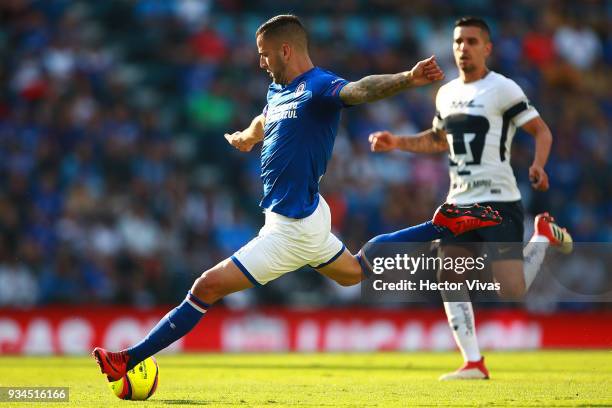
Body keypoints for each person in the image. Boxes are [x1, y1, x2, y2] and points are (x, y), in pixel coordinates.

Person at [92, 14, 501, 381]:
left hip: (291, 229)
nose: (260, 62)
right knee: (356, 272)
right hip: (305, 215)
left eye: (264, 54)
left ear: (286, 50)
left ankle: (126, 360)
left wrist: (406, 79)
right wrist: (248, 136)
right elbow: (265, 118)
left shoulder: (319, 86)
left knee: (205, 287)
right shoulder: (278, 92)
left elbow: (359, 91)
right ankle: (441, 225)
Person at [368, 17, 572, 380]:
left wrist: (539, 165)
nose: (464, 48)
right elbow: (437, 139)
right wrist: (397, 142)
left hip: (498, 200)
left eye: (472, 41)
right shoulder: (445, 93)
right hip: (459, 202)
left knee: (513, 289)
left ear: (487, 48)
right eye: (459, 41)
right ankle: (473, 361)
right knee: (449, 274)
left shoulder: (503, 89)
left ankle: (541, 234)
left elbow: (540, 130)